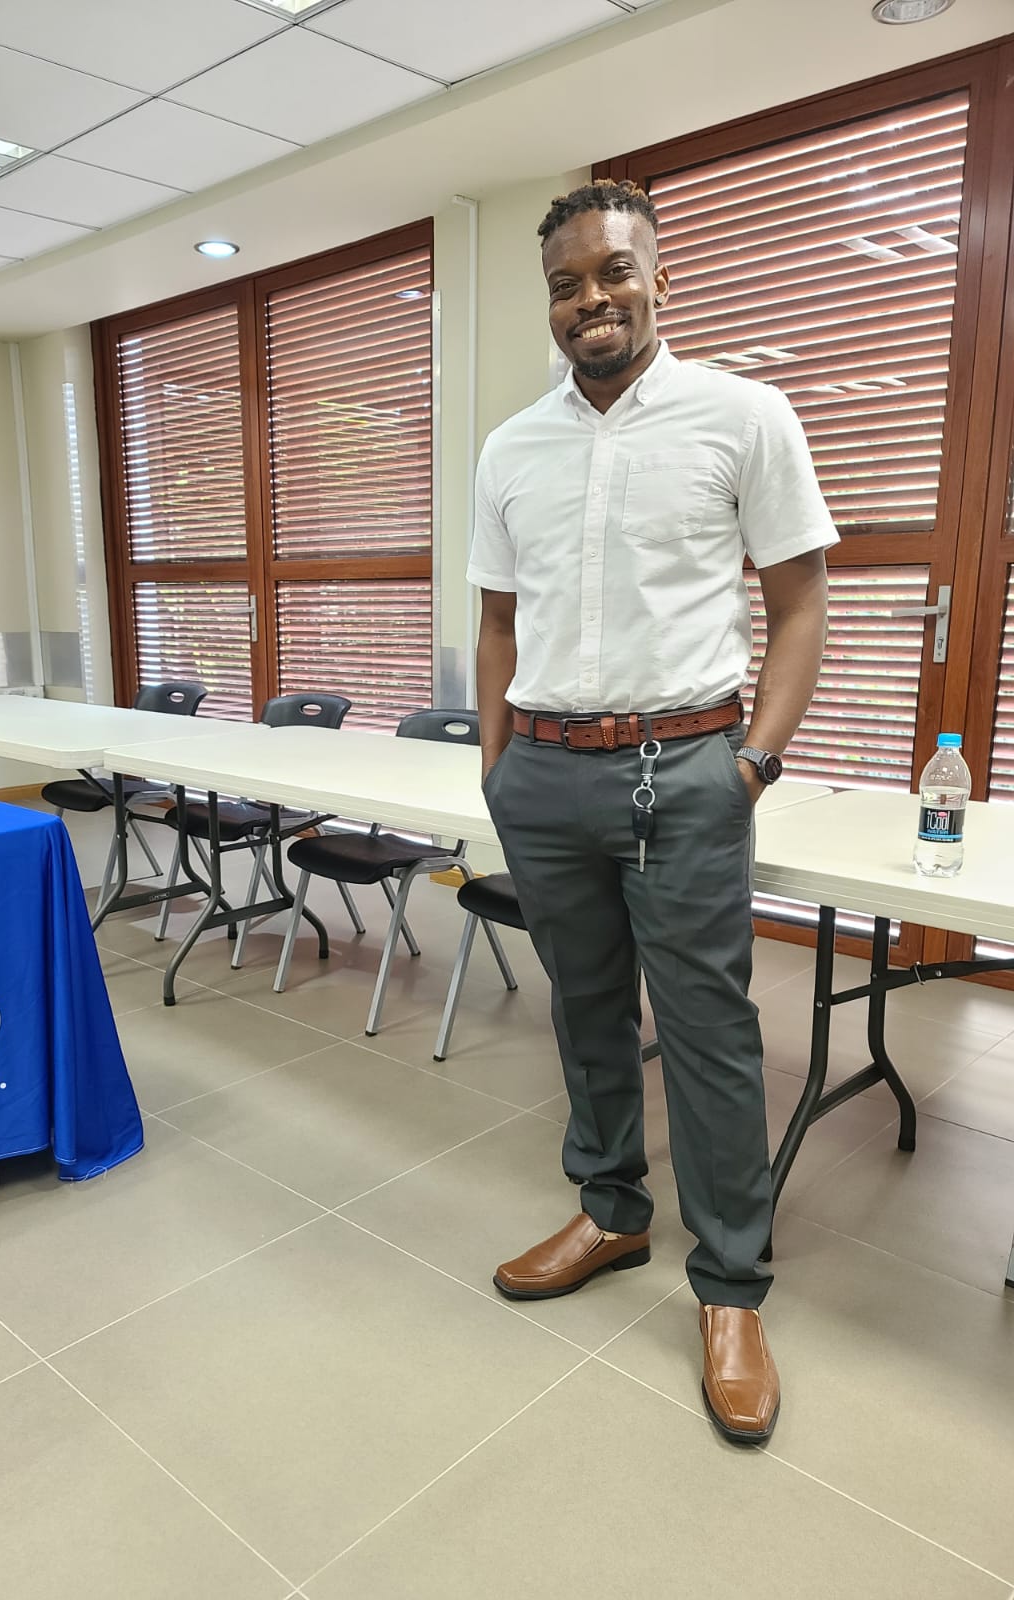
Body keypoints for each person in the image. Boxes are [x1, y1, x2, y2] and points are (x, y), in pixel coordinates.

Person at [468, 179, 836, 1445]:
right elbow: (497, 619)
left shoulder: (744, 416)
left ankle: (730, 1286)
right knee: (583, 1011)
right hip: (545, 773)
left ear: (659, 279)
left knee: (709, 1035)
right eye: (566, 283)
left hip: (685, 772)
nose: (591, 299)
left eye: (613, 271)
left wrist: (752, 764)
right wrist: (498, 765)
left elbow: (801, 603)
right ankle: (610, 1212)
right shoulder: (512, 447)